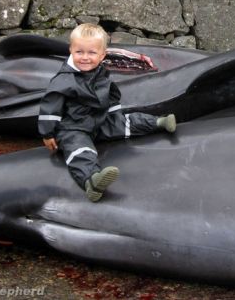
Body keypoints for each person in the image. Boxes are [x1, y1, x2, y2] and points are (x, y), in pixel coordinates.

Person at [38, 23, 176, 202]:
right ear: (71, 50)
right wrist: (48, 133)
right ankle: (91, 181)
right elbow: (50, 106)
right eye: (79, 52)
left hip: (99, 119)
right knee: (79, 149)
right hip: (73, 127)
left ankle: (158, 122)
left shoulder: (100, 72)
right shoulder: (64, 80)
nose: (85, 58)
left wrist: (114, 114)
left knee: (124, 122)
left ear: (102, 54)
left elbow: (110, 94)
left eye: (91, 53)